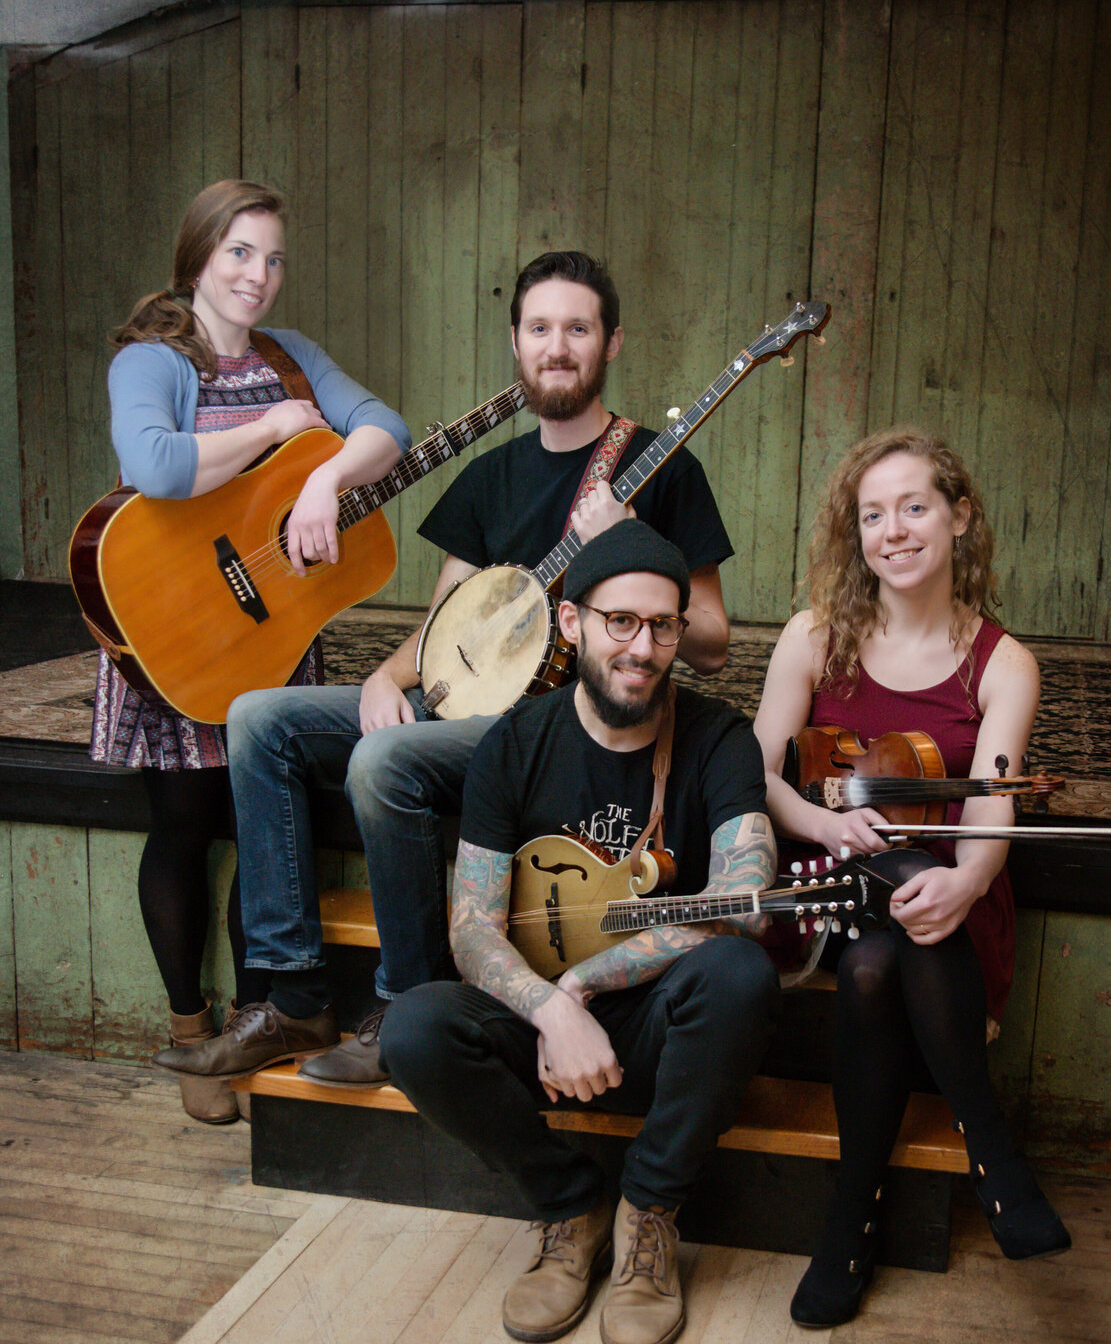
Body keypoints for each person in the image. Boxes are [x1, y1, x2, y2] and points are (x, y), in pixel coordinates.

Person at [175, 250, 735, 1089]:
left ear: (611, 343)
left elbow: (717, 640)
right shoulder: (491, 476)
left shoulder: (661, 469)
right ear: (516, 341)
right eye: (540, 328)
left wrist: (621, 541)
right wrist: (383, 679)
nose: (557, 346)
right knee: (260, 716)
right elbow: (445, 630)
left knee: (382, 759)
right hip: (467, 703)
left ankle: (406, 1004)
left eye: (577, 328)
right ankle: (294, 992)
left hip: (549, 730)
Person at [380, 521, 779, 1344]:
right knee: (412, 1029)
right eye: (620, 621)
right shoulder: (514, 745)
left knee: (741, 972)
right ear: (573, 623)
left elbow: (743, 897)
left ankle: (648, 1215)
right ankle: (568, 1207)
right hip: (546, 1028)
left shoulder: (718, 739)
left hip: (661, 1018)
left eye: (663, 624)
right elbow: (471, 928)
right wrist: (549, 1009)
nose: (642, 646)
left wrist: (586, 984)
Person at [98, 178, 409, 1122]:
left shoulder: (292, 356)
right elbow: (153, 464)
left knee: (261, 832)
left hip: (268, 631)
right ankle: (191, 1033)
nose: (258, 275)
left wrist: (326, 485)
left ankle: (251, 1018)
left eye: (273, 258)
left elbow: (386, 430)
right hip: (178, 626)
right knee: (186, 827)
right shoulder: (153, 359)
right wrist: (276, 429)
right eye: (240, 252)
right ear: (197, 255)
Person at [753, 426, 1070, 1329]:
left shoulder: (1003, 663)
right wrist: (823, 821)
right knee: (869, 917)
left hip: (952, 896)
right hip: (828, 869)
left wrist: (969, 883)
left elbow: (993, 804)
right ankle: (991, 1146)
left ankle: (849, 1221)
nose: (893, 530)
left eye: (915, 507)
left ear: (960, 518)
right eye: (873, 514)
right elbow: (763, 771)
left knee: (874, 964)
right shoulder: (814, 636)